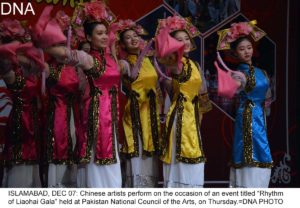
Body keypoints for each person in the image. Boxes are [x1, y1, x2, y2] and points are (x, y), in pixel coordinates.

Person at [31, 1, 122, 187]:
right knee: (98, 166)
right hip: (96, 118)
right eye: (99, 33)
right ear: (88, 37)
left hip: (111, 118)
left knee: (112, 167)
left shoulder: (111, 57)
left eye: (105, 33)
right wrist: (43, 45)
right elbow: (66, 55)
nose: (104, 36)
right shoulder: (89, 60)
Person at [155, 16, 212, 187]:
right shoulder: (175, 63)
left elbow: (202, 94)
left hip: (193, 118)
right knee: (183, 161)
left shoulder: (194, 64)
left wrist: (200, 116)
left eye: (187, 38)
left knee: (195, 160)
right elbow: (163, 56)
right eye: (179, 40)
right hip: (180, 117)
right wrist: (165, 30)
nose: (185, 42)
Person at [216, 20, 273, 187]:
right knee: (250, 153)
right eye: (242, 49)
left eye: (249, 47)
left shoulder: (261, 72)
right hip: (247, 115)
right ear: (235, 53)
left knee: (261, 151)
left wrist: (265, 106)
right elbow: (229, 93)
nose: (247, 51)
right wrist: (235, 83)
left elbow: (267, 95)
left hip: (260, 116)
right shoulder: (238, 73)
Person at [112, 19, 161, 187]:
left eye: (135, 36)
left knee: (149, 152)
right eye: (128, 37)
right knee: (138, 151)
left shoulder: (148, 59)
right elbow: (120, 70)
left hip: (151, 113)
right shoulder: (125, 62)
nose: (133, 39)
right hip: (135, 113)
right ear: (122, 44)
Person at [0, 19, 43, 187]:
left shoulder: (33, 70)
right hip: (20, 123)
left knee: (33, 170)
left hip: (33, 123)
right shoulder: (10, 71)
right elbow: (3, 63)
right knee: (20, 169)